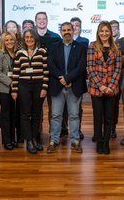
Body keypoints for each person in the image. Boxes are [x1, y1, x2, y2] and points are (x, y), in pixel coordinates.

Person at [47, 22, 87, 153]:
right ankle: (54, 140)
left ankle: (75, 141)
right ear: (61, 32)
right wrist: (62, 78)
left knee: (74, 115)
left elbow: (81, 67)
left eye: (69, 29)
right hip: (58, 85)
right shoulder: (53, 47)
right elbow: (50, 64)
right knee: (56, 115)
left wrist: (68, 79)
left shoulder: (81, 47)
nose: (66, 32)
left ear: (73, 30)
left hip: (74, 86)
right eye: (64, 30)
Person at [11, 29, 49, 154]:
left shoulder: (42, 52)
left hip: (38, 86)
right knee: (25, 114)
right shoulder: (19, 54)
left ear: (35, 38)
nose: (29, 39)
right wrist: (15, 90)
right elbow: (15, 73)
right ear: (24, 39)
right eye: (26, 37)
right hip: (23, 86)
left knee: (37, 114)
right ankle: (28, 141)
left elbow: (46, 72)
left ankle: (34, 138)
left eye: (31, 37)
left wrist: (44, 87)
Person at [87, 21, 122, 154]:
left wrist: (111, 86)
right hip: (96, 89)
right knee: (98, 117)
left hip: (112, 90)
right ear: (98, 32)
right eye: (102, 31)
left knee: (109, 117)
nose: (104, 33)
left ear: (111, 33)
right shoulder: (92, 46)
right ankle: (99, 142)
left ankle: (106, 142)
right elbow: (90, 68)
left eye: (107, 31)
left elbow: (118, 69)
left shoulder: (116, 47)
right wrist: (101, 86)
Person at [35, 12, 61, 141]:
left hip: (52, 78)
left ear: (47, 20)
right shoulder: (30, 37)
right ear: (35, 21)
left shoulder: (55, 37)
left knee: (54, 108)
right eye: (39, 19)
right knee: (37, 107)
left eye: (44, 19)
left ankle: (53, 132)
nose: (41, 21)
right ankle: (37, 130)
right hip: (35, 78)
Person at [0, 32, 17, 150]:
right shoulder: (0, 54)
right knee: (6, 115)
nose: (9, 42)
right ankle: (6, 140)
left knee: (13, 114)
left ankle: (13, 138)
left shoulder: (18, 53)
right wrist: (10, 82)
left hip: (16, 89)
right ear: (3, 42)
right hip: (3, 89)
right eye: (6, 40)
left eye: (11, 40)